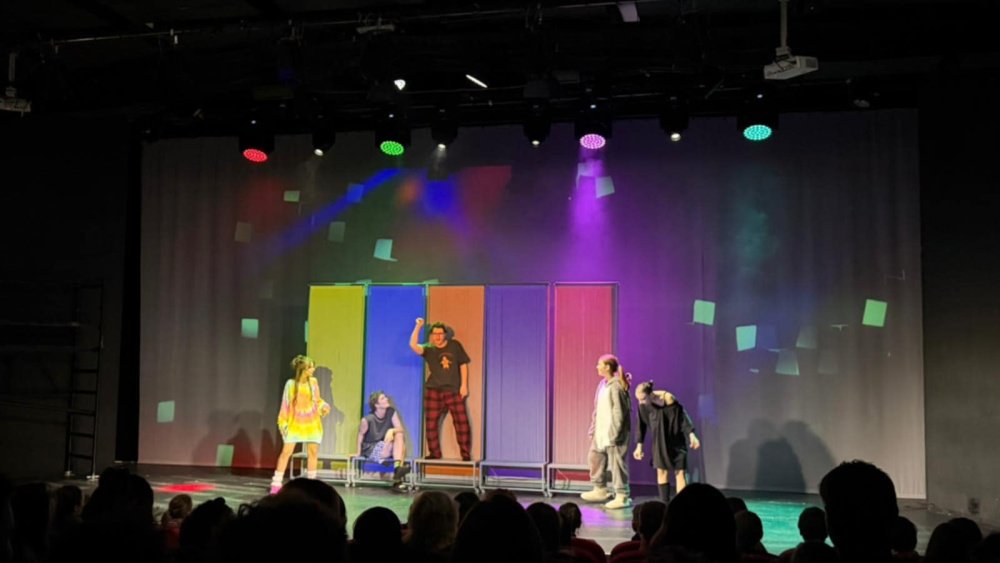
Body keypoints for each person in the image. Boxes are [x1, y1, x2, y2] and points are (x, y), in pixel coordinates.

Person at [409, 318, 472, 461]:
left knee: (461, 422)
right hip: (433, 390)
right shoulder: (429, 348)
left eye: (440, 333)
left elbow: (463, 364)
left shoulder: (455, 345)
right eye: (434, 334)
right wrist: (418, 326)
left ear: (445, 334)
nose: (437, 337)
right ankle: (434, 453)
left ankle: (465, 454)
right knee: (431, 424)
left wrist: (464, 385)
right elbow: (413, 345)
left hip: (453, 390)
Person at [270, 354, 331, 494]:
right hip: (295, 423)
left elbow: (317, 400)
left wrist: (324, 406)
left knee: (313, 453)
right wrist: (283, 422)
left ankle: (311, 485)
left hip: (312, 422)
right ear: (303, 369)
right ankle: (276, 483)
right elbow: (285, 404)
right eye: (310, 367)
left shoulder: (313, 382)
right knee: (286, 452)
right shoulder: (291, 384)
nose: (313, 369)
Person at [633, 381, 700, 504]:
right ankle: (665, 504)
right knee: (662, 471)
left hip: (676, 440)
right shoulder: (643, 405)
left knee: (680, 472)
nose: (640, 402)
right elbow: (641, 425)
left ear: (651, 394)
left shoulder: (668, 398)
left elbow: (682, 418)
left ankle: (681, 505)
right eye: (638, 399)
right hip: (659, 442)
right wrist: (639, 446)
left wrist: (691, 434)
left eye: (643, 399)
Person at [580, 353, 632, 509]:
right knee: (594, 458)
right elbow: (597, 409)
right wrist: (593, 428)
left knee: (617, 464)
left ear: (607, 367)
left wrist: (615, 433)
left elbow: (619, 411)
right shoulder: (602, 384)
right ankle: (600, 489)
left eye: (599, 364)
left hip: (614, 433)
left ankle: (622, 495)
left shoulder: (616, 386)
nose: (597, 367)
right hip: (600, 431)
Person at [356, 390, 412, 488]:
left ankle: (397, 470)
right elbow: (360, 435)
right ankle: (398, 476)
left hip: (385, 445)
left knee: (399, 435)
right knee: (400, 447)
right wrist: (358, 452)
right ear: (376, 405)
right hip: (371, 448)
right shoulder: (367, 419)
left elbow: (400, 429)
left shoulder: (391, 412)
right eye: (383, 398)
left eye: (385, 397)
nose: (386, 399)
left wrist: (392, 430)